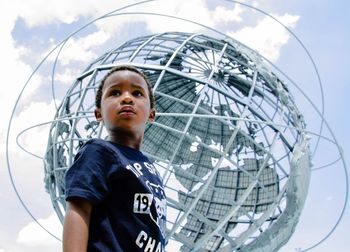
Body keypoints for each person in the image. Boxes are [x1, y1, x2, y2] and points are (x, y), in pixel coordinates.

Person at [63, 65, 167, 252]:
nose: (127, 98)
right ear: (98, 113)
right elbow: (79, 209)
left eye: (137, 93)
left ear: (152, 114)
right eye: (115, 92)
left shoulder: (150, 169)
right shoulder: (98, 151)